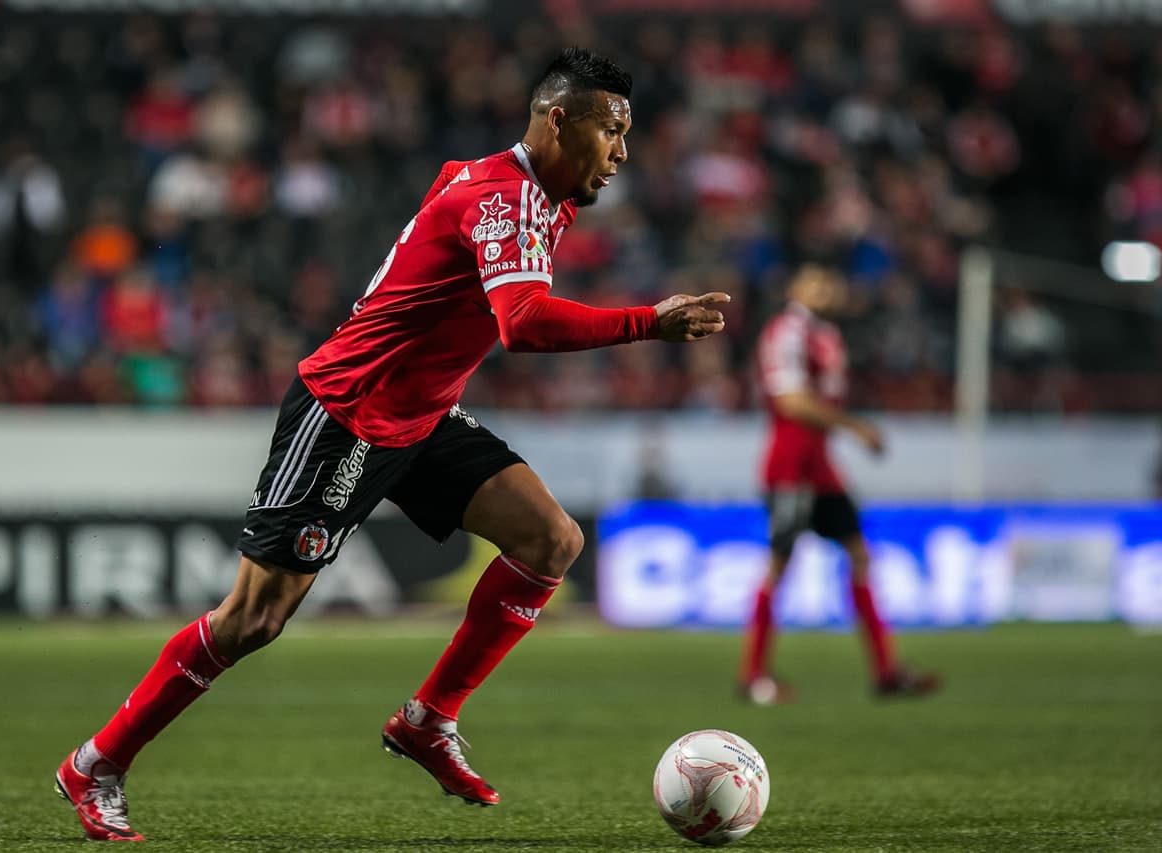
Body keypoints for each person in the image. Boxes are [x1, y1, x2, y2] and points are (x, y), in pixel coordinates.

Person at [54, 47, 730, 842]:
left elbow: (450, 224)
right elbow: (522, 322)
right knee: (253, 620)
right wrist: (650, 320)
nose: (622, 153)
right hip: (348, 411)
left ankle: (426, 719)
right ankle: (96, 762)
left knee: (551, 538)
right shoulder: (503, 196)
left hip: (422, 415)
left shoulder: (530, 194)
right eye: (611, 131)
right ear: (557, 119)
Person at [738, 263, 939, 705]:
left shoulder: (825, 335)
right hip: (790, 464)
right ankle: (752, 676)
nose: (825, 289)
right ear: (794, 286)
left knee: (859, 554)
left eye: (830, 283)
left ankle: (887, 671)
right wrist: (854, 427)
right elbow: (790, 402)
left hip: (820, 466)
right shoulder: (786, 331)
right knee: (779, 563)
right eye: (815, 281)